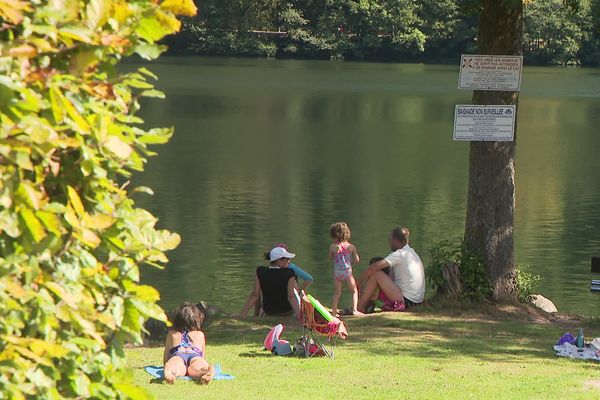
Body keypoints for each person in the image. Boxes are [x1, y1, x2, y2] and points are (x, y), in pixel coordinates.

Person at [357, 226, 425, 313]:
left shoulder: (400, 254)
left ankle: (360, 308)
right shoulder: (411, 253)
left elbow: (373, 267)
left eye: (390, 240)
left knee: (376, 274)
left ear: (396, 240)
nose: (389, 242)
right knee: (379, 275)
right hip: (416, 302)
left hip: (407, 301)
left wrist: (359, 282)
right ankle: (365, 306)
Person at [240, 246, 301, 317]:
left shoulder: (260, 271)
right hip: (286, 311)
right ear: (279, 261)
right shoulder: (289, 273)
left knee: (263, 301)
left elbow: (255, 295)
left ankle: (258, 315)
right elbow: (291, 297)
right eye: (287, 259)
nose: (289, 261)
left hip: (269, 311)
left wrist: (242, 315)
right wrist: (300, 316)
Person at [163, 302, 214, 384]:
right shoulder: (200, 334)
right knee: (197, 369)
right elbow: (202, 356)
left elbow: (166, 358)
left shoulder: (172, 334)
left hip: (177, 354)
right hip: (194, 354)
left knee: (177, 368)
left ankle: (170, 370)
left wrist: (168, 363)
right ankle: (206, 370)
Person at [328, 222, 361, 316]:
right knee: (354, 291)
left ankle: (334, 312)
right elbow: (357, 260)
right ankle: (354, 310)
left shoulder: (332, 247)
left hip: (337, 272)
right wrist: (351, 263)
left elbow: (330, 258)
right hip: (347, 271)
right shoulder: (351, 247)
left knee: (337, 293)